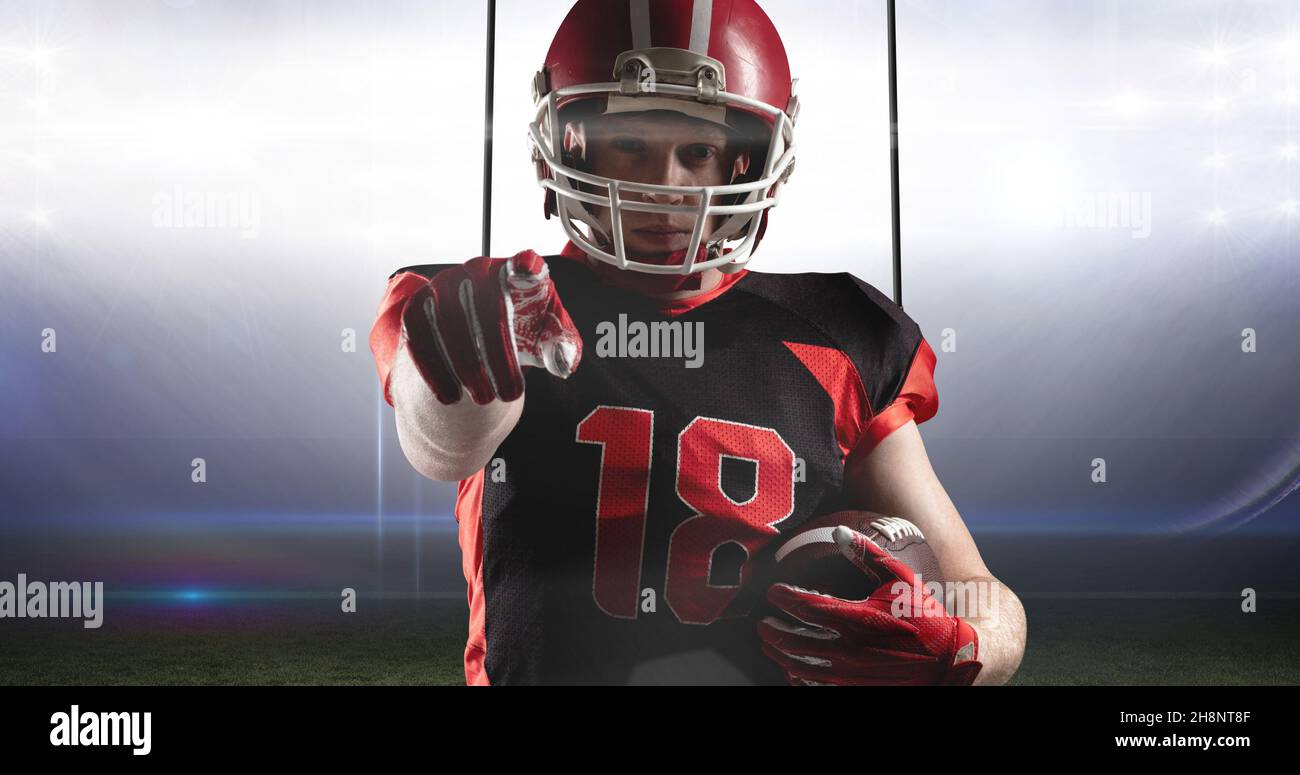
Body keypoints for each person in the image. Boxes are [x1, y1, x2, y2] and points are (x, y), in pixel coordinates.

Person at [369, 0, 1025, 685]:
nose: (665, 186)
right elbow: (441, 441)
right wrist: (463, 366)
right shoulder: (495, 305)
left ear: (749, 158)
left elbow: (978, 591)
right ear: (569, 142)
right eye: (630, 144)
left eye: (698, 150)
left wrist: (962, 648)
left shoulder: (841, 329)